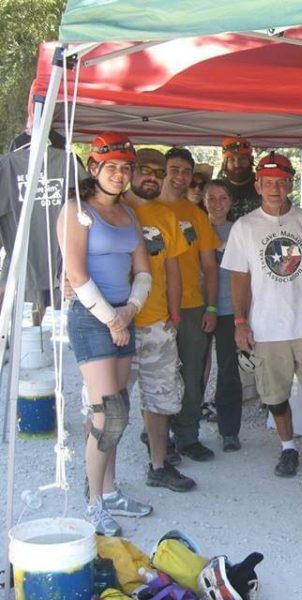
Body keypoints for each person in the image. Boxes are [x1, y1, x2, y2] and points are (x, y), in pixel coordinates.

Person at [221, 153, 302, 478]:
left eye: (282, 182)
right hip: (265, 328)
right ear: (258, 185)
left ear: (290, 183)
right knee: (275, 397)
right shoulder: (245, 227)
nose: (275, 188)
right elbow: (239, 277)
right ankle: (288, 448)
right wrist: (240, 322)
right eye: (268, 182)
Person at [59, 132, 152, 535]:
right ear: (94, 168)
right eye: (111, 166)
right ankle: (93, 502)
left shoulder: (130, 214)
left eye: (126, 168)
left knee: (117, 408)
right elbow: (76, 274)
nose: (120, 174)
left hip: (122, 315)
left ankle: (109, 489)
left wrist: (130, 310)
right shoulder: (76, 211)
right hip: (91, 316)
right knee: (107, 413)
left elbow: (144, 270)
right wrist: (112, 319)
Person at [121, 148, 196, 493]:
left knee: (161, 398)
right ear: (132, 172)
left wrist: (175, 312)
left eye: (157, 172)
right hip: (115, 324)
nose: (151, 177)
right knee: (110, 403)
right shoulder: (112, 208)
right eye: (144, 170)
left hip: (156, 322)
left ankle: (159, 465)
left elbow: (173, 268)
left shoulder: (165, 216)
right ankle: (99, 480)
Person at [158, 147, 220, 462]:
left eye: (186, 171)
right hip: (152, 307)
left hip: (193, 306)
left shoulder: (196, 216)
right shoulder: (142, 207)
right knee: (158, 375)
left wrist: (211, 307)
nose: (180, 177)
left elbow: (210, 266)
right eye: (174, 169)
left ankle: (187, 436)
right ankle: (156, 435)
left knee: (192, 374)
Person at [203, 179, 243, 451]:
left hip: (230, 309)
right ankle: (185, 430)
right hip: (197, 306)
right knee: (192, 369)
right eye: (211, 198)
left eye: (223, 198)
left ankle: (229, 430)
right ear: (204, 200)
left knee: (228, 370)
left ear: (230, 202)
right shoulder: (194, 226)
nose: (217, 204)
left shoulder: (240, 229)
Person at [219, 136, 261, 219]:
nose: (237, 164)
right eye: (232, 160)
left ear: (250, 160)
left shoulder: (264, 185)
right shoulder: (217, 188)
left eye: (242, 158)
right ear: (225, 164)